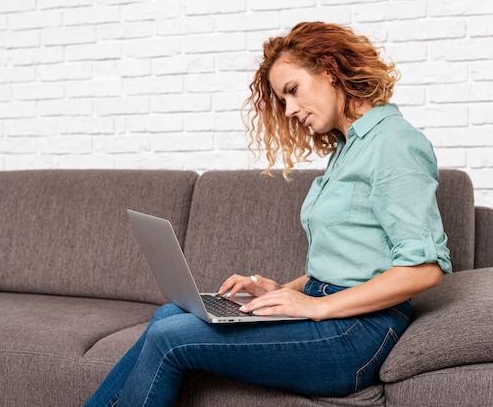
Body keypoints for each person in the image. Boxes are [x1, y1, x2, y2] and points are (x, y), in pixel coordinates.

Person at [85, 21, 452, 407]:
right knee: (170, 313)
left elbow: (424, 269)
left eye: (292, 91)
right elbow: (353, 258)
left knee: (170, 337)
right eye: (283, 99)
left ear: (329, 70)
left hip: (356, 335)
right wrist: (284, 291)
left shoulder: (394, 143)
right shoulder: (348, 148)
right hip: (330, 316)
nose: (290, 110)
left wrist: (317, 305)